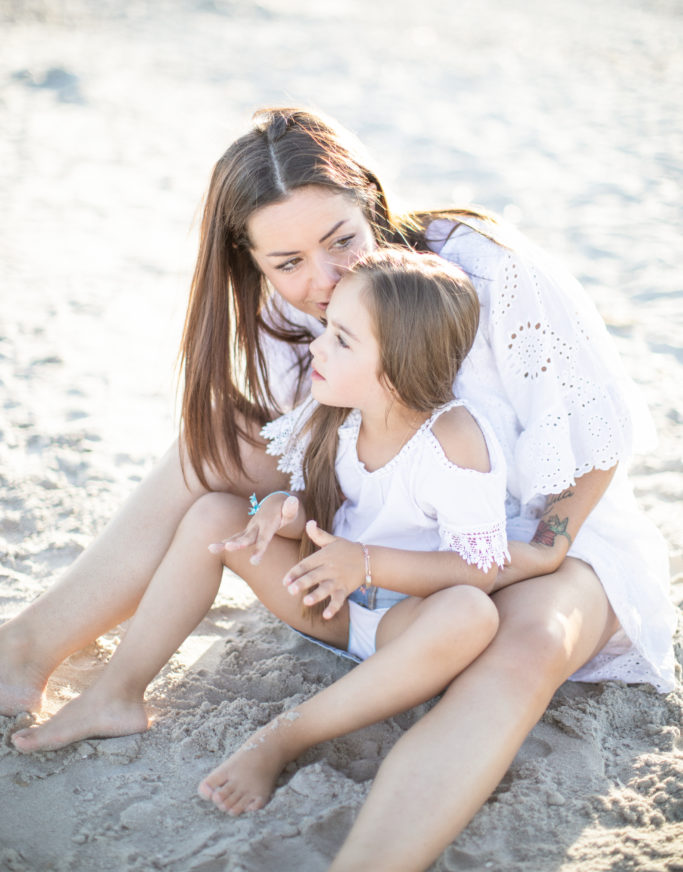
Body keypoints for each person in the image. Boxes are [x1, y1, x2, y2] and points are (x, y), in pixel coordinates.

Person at [1, 107, 675, 872]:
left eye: (343, 241)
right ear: (251, 260)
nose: (322, 283)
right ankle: (25, 650)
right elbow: (333, 459)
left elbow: (596, 430)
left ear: (372, 205)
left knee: (525, 642)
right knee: (206, 454)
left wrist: (540, 552)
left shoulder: (483, 264)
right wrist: (296, 519)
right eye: (286, 262)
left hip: (541, 531)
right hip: (395, 532)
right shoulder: (294, 313)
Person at [195, 247, 509, 814]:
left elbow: (482, 571)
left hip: (403, 625)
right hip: (329, 606)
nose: (317, 345)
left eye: (342, 338)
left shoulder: (453, 440)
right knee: (215, 517)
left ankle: (284, 737)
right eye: (327, 328)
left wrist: (365, 564)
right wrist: (276, 509)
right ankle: (123, 685)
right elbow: (325, 509)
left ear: (400, 362)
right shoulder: (341, 410)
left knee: (472, 612)